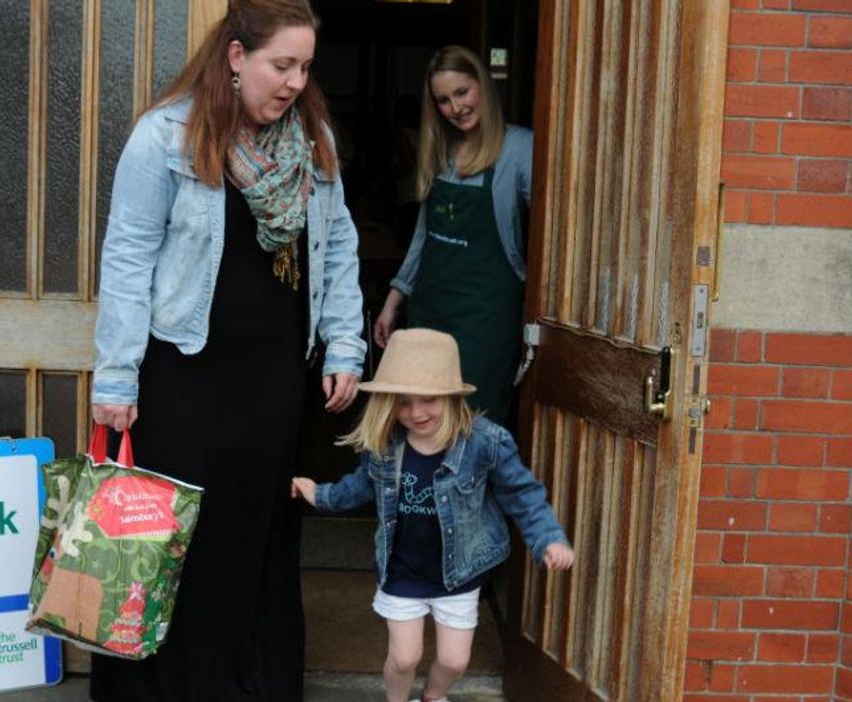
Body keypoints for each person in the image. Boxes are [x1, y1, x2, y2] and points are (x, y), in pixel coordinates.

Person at [88, 1, 366, 699]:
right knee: (177, 536)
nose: (295, 81)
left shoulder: (313, 139)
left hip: (273, 378)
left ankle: (248, 682)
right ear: (236, 56)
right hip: (186, 374)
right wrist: (116, 376)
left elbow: (336, 249)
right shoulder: (165, 138)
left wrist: (344, 344)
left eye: (304, 67)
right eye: (281, 65)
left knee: (256, 534)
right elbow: (126, 258)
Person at [291, 329, 573, 702]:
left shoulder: (485, 442)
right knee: (405, 657)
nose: (416, 413)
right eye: (403, 403)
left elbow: (522, 495)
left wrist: (547, 537)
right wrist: (320, 495)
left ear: (452, 397)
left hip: (459, 573)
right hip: (403, 571)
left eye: (429, 400)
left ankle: (432, 696)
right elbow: (360, 487)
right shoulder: (387, 444)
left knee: (455, 660)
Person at [372, 46, 533, 428]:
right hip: (431, 309)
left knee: (474, 424)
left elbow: (555, 226)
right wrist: (395, 297)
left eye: (462, 92)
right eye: (443, 100)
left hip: (487, 317)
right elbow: (423, 235)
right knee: (422, 421)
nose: (456, 107)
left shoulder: (520, 149)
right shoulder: (442, 149)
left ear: (483, 85)